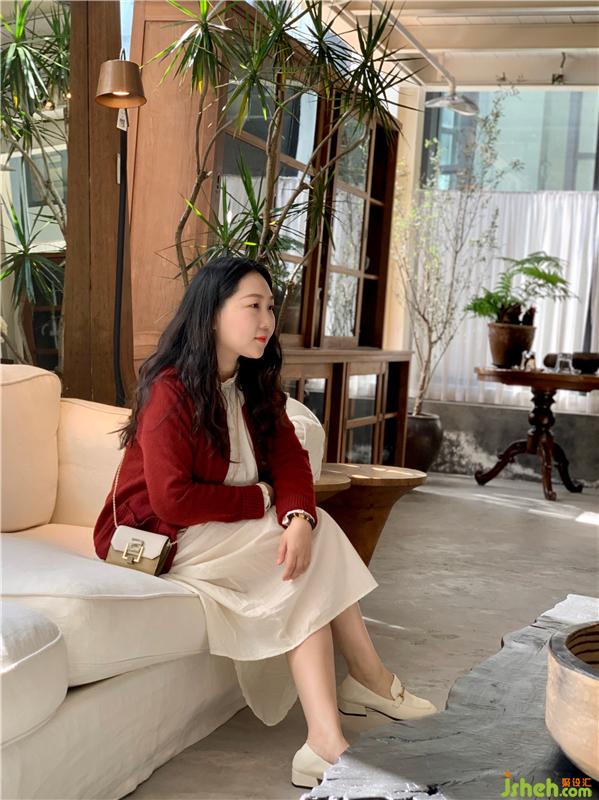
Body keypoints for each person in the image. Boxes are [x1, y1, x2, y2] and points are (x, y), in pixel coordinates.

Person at [93, 255, 437, 789]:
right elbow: (173, 500)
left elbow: (290, 459)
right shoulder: (169, 388)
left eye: (271, 307)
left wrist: (296, 516)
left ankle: (328, 737)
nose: (267, 321)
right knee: (307, 554)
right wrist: (263, 500)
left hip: (215, 528)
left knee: (307, 542)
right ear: (212, 313)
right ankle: (364, 686)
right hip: (159, 536)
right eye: (252, 306)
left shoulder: (252, 381)